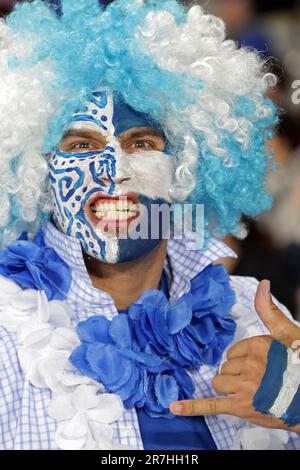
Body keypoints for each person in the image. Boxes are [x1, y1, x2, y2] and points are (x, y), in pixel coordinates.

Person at [0, 0, 299, 451]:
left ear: (189, 166)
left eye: (140, 143)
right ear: (36, 173)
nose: (115, 170)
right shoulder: (6, 338)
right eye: (82, 145)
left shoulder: (254, 317)